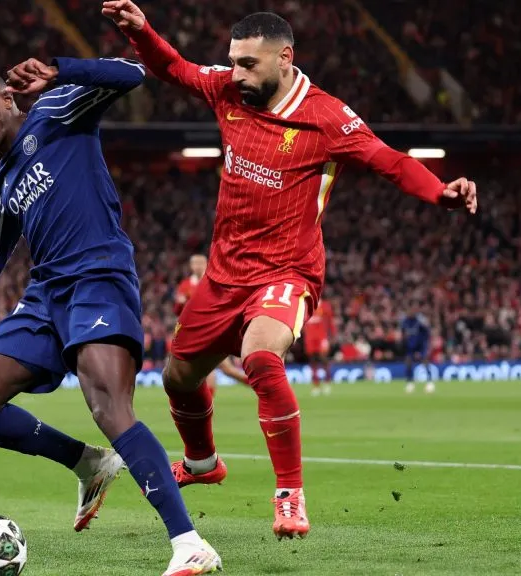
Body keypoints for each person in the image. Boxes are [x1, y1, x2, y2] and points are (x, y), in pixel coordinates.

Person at [103, 1, 478, 539]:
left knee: (260, 356)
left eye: (248, 64)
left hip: (287, 270)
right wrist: (142, 33)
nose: (236, 74)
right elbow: (177, 69)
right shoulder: (229, 90)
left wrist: (441, 191)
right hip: (224, 273)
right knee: (178, 378)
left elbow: (390, 160)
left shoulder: (326, 116)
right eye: (233, 62)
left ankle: (290, 496)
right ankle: (204, 464)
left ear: (285, 58)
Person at [0, 55, 221, 575]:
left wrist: (61, 69)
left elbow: (132, 75)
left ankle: (190, 542)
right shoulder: (6, 182)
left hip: (98, 275)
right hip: (46, 297)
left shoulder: (58, 109)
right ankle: (87, 462)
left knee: (107, 403)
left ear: (7, 100)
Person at [175, 254, 247, 392]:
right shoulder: (185, 285)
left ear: (206, 264)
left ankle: (257, 385)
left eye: (200, 263)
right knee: (222, 369)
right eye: (195, 263)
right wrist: (180, 304)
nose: (197, 266)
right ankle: (258, 386)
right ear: (191, 266)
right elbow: (178, 311)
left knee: (218, 368)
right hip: (191, 330)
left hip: (211, 328)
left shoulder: (212, 282)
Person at [304, 299, 335, 396]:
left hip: (321, 337)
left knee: (323, 359)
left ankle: (327, 382)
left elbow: (330, 321)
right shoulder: (305, 305)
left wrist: (332, 335)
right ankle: (316, 385)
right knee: (313, 361)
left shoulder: (325, 305)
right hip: (310, 338)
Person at [401, 306, 434, 393]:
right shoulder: (405, 321)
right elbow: (403, 333)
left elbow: (427, 331)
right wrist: (405, 339)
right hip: (410, 345)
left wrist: (426, 344)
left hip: (421, 344)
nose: (410, 312)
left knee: (425, 361)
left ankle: (429, 382)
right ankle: (410, 382)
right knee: (408, 362)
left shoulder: (420, 320)